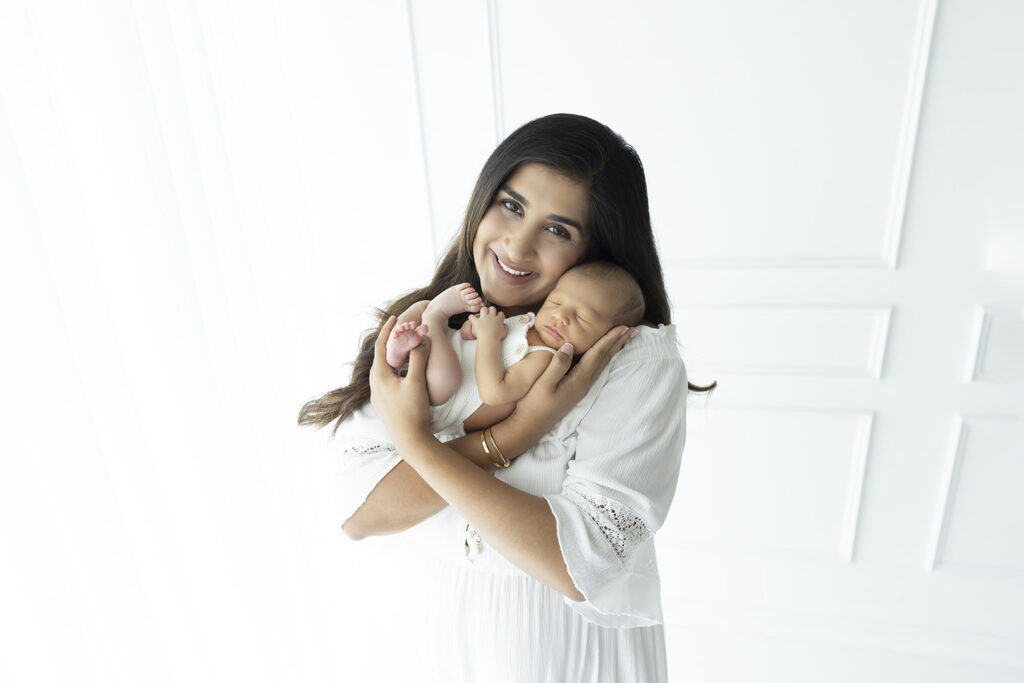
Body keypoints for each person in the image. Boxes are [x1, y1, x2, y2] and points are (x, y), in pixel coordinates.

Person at [298, 113, 714, 682]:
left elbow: (581, 562)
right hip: (434, 631)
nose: (517, 245)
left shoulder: (627, 355)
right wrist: (513, 435)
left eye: (559, 229)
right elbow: (358, 512)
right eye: (512, 207)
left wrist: (419, 445)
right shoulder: (432, 321)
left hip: (559, 651)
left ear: (598, 249)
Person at [384, 261, 646, 446]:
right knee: (420, 308)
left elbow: (494, 392)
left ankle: (435, 319)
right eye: (555, 302)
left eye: (582, 318)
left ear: (605, 338)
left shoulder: (546, 358)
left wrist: (487, 336)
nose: (560, 317)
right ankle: (399, 353)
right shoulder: (528, 323)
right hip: (439, 360)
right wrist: (472, 328)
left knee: (444, 373)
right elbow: (468, 336)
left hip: (442, 401)